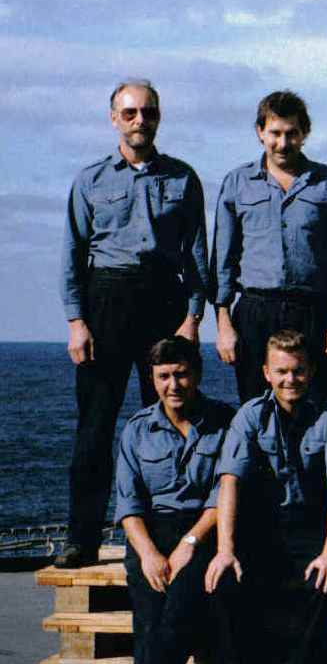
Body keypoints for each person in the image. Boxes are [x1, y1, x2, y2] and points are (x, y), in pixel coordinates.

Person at [58, 79, 210, 569]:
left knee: (169, 422)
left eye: (148, 112)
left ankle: (170, 532)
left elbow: (197, 255)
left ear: (159, 117)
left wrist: (192, 318)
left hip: (164, 301)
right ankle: (81, 537)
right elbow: (73, 254)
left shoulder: (183, 179)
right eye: (129, 113)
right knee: (95, 427)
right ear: (114, 119)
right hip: (106, 300)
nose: (139, 121)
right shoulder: (90, 180)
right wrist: (77, 321)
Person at [208, 330, 327, 664]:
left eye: (298, 371)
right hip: (264, 531)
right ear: (266, 373)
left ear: (311, 371)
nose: (290, 380)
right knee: (224, 584)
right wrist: (225, 549)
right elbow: (229, 481)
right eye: (282, 372)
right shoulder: (249, 416)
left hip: (312, 526)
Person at [112, 336, 237, 664]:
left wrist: (190, 542)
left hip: (205, 528)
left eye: (181, 375)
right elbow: (128, 504)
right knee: (150, 606)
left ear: (196, 374)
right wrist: (149, 554)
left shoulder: (225, 422)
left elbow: (223, 493)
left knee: (184, 595)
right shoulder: (137, 430)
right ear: (152, 379)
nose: (173, 385)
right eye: (163, 376)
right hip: (151, 531)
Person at [213, 90, 327, 406]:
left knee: (319, 408)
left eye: (291, 133)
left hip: (313, 312)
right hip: (255, 313)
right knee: (255, 408)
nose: (283, 143)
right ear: (260, 132)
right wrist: (223, 322)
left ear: (304, 132)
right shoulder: (237, 183)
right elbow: (223, 258)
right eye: (275, 133)